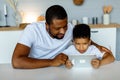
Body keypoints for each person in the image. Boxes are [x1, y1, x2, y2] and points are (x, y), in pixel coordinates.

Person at [12, 5, 111, 69]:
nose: (63, 32)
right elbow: (16, 61)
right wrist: (51, 62)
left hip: (61, 69)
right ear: (47, 25)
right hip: (36, 69)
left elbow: (85, 40)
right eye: (57, 28)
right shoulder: (32, 30)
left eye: (65, 26)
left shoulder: (71, 28)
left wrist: (98, 46)